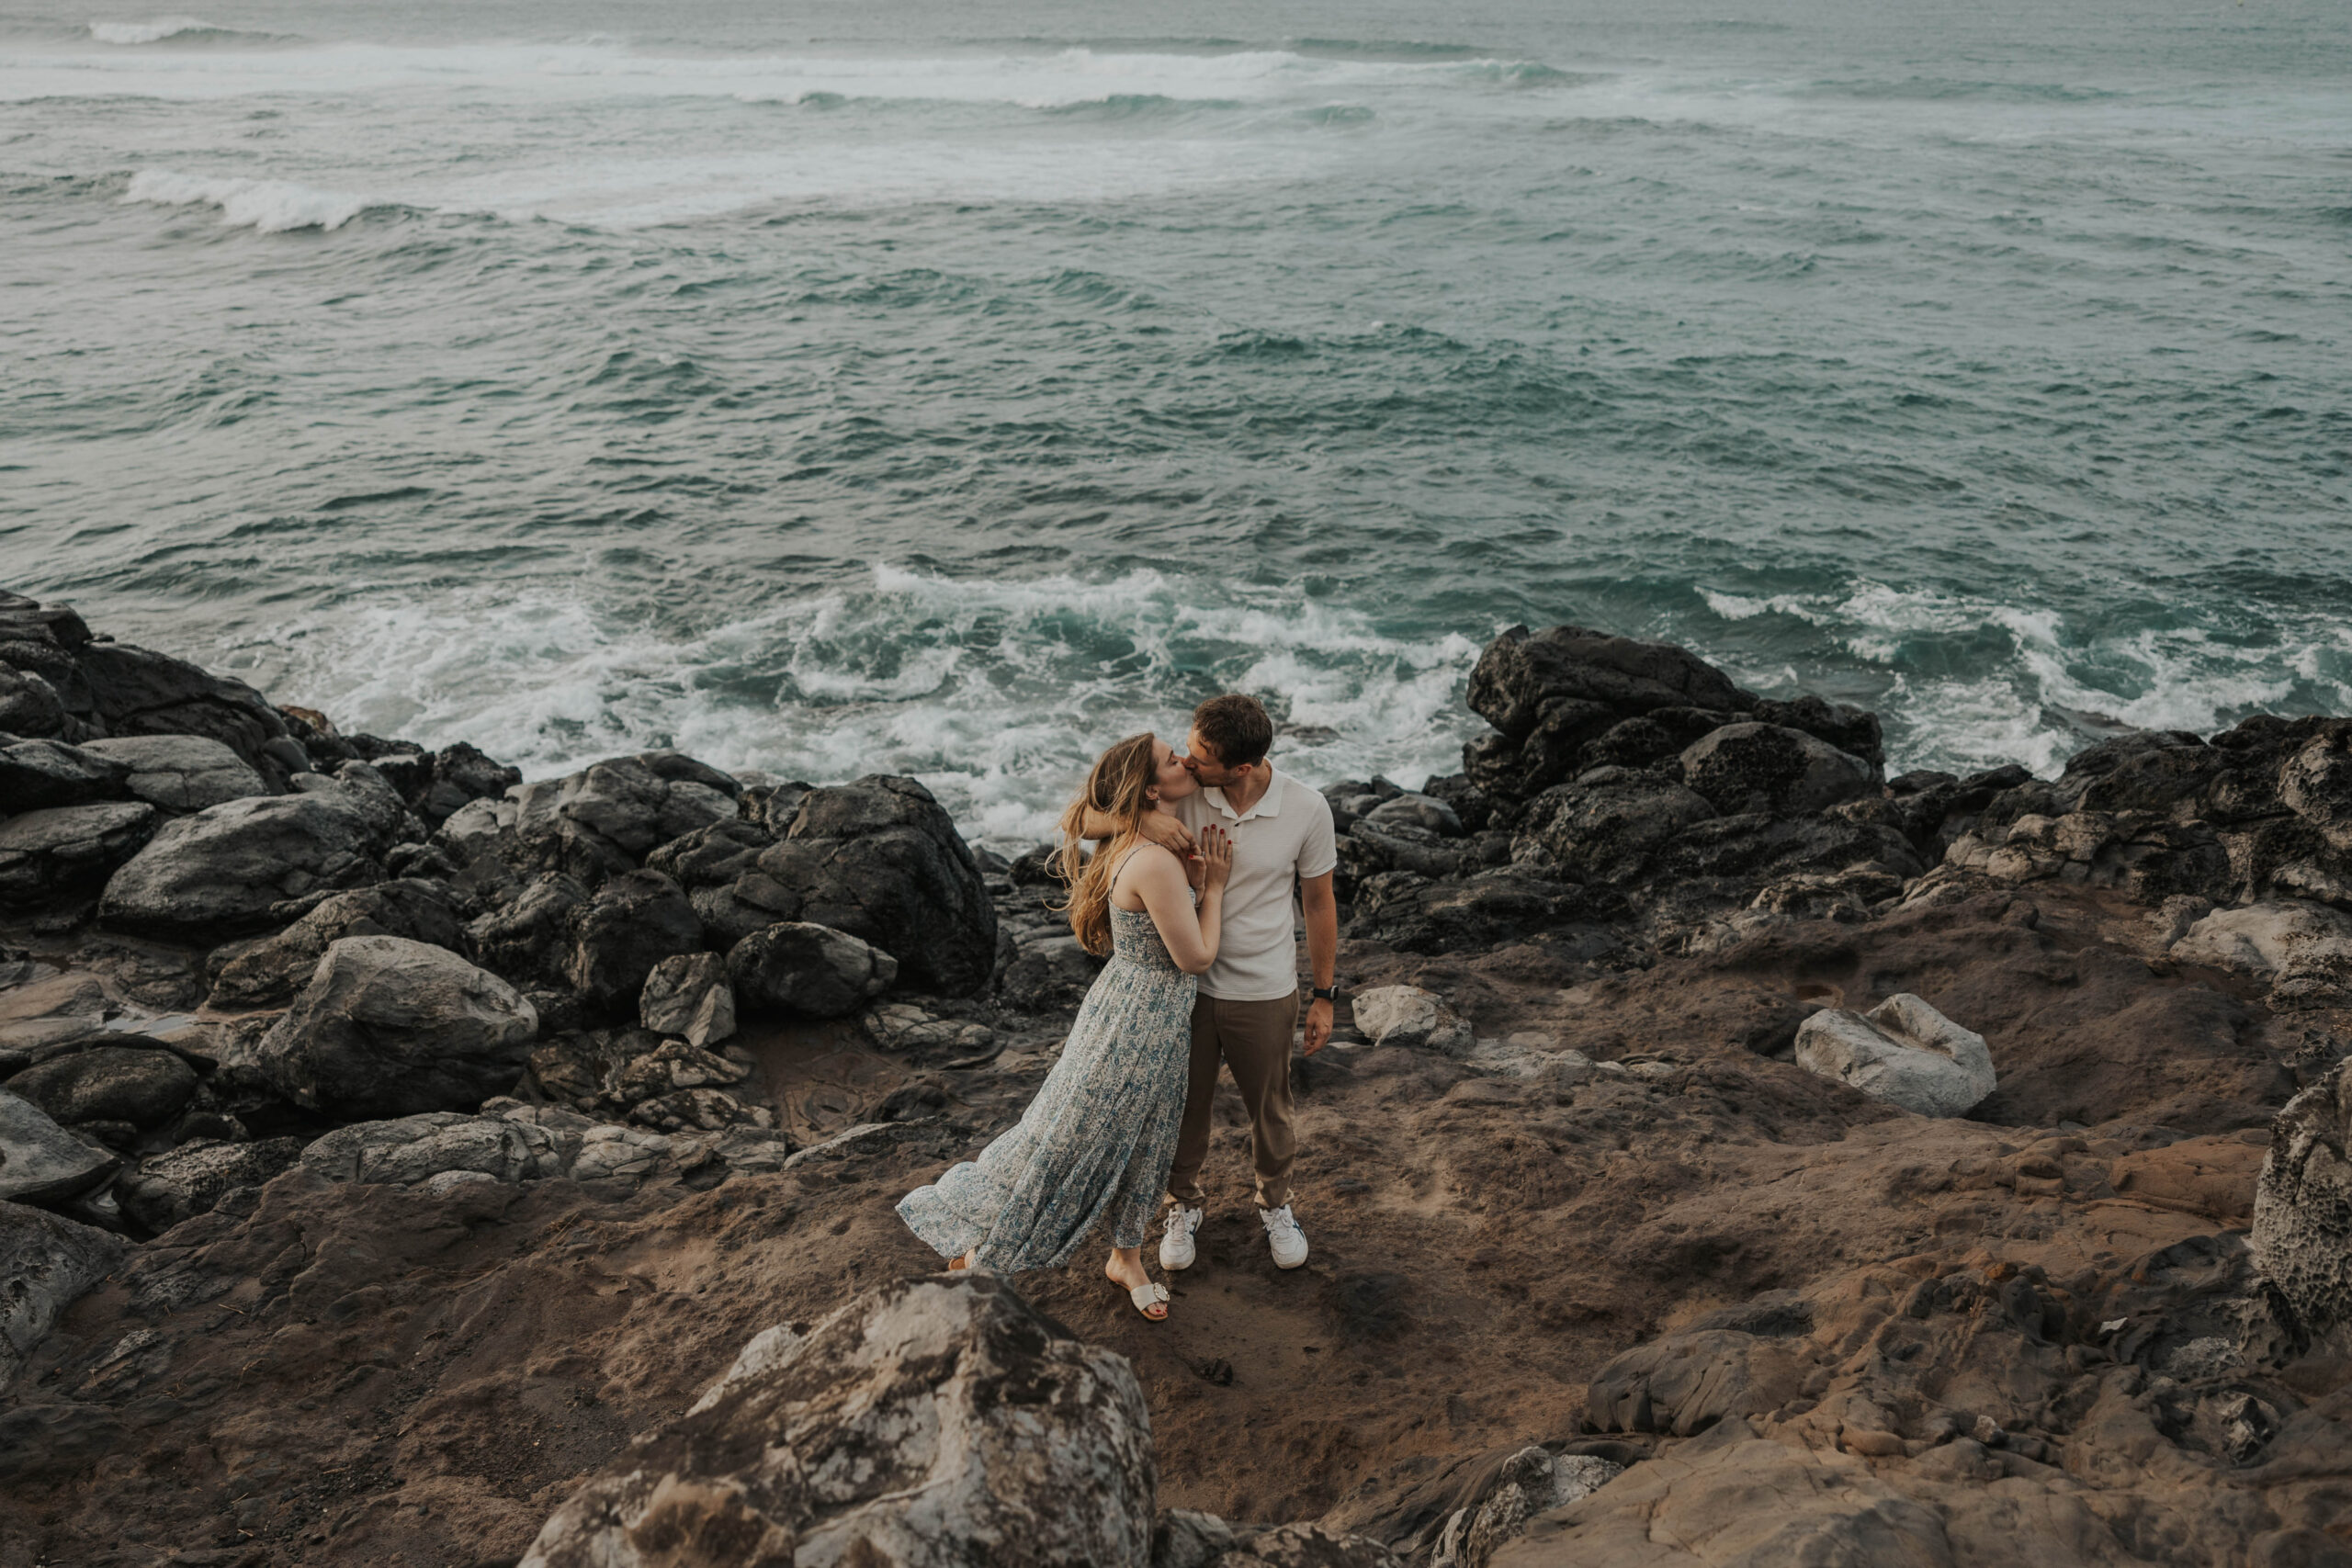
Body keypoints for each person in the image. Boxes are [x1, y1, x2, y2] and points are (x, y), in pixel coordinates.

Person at [897, 734, 1232, 1321]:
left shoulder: (1148, 831)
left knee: (1148, 1141)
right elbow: (1196, 958)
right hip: (1141, 1018)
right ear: (1152, 788)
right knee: (1071, 1137)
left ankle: (1126, 1258)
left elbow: (1097, 814)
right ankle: (986, 1248)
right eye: (1171, 758)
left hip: (1142, 1009)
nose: (1184, 756)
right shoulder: (1148, 853)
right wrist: (1216, 888)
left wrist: (1185, 871)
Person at [1082, 694, 1339, 1273]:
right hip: (1185, 989)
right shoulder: (1182, 791)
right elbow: (1080, 816)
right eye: (1187, 750)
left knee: (1271, 1110)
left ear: (1240, 768)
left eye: (1200, 756)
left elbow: (1319, 904)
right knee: (1184, 1110)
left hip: (1266, 989)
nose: (1188, 762)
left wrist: (1324, 996)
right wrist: (1139, 817)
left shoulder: (1307, 808)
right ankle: (1182, 1207)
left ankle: (1276, 1205)